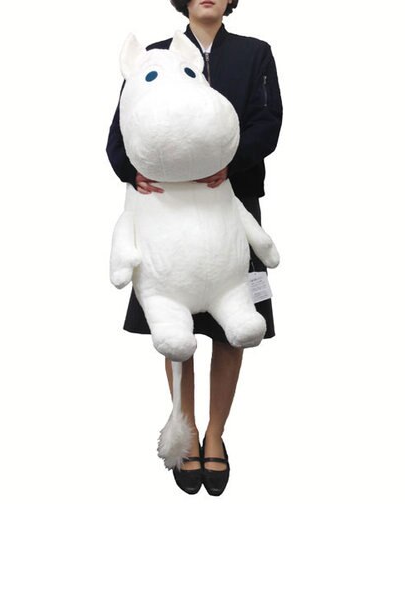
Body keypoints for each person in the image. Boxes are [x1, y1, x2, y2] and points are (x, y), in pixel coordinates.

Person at [106, 0, 283, 495]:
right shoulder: (156, 53)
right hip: (166, 214)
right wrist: (132, 172)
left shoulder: (254, 53)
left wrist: (228, 162)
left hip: (232, 201)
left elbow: (267, 121)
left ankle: (216, 434)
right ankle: (182, 427)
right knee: (175, 323)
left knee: (235, 325)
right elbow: (123, 125)